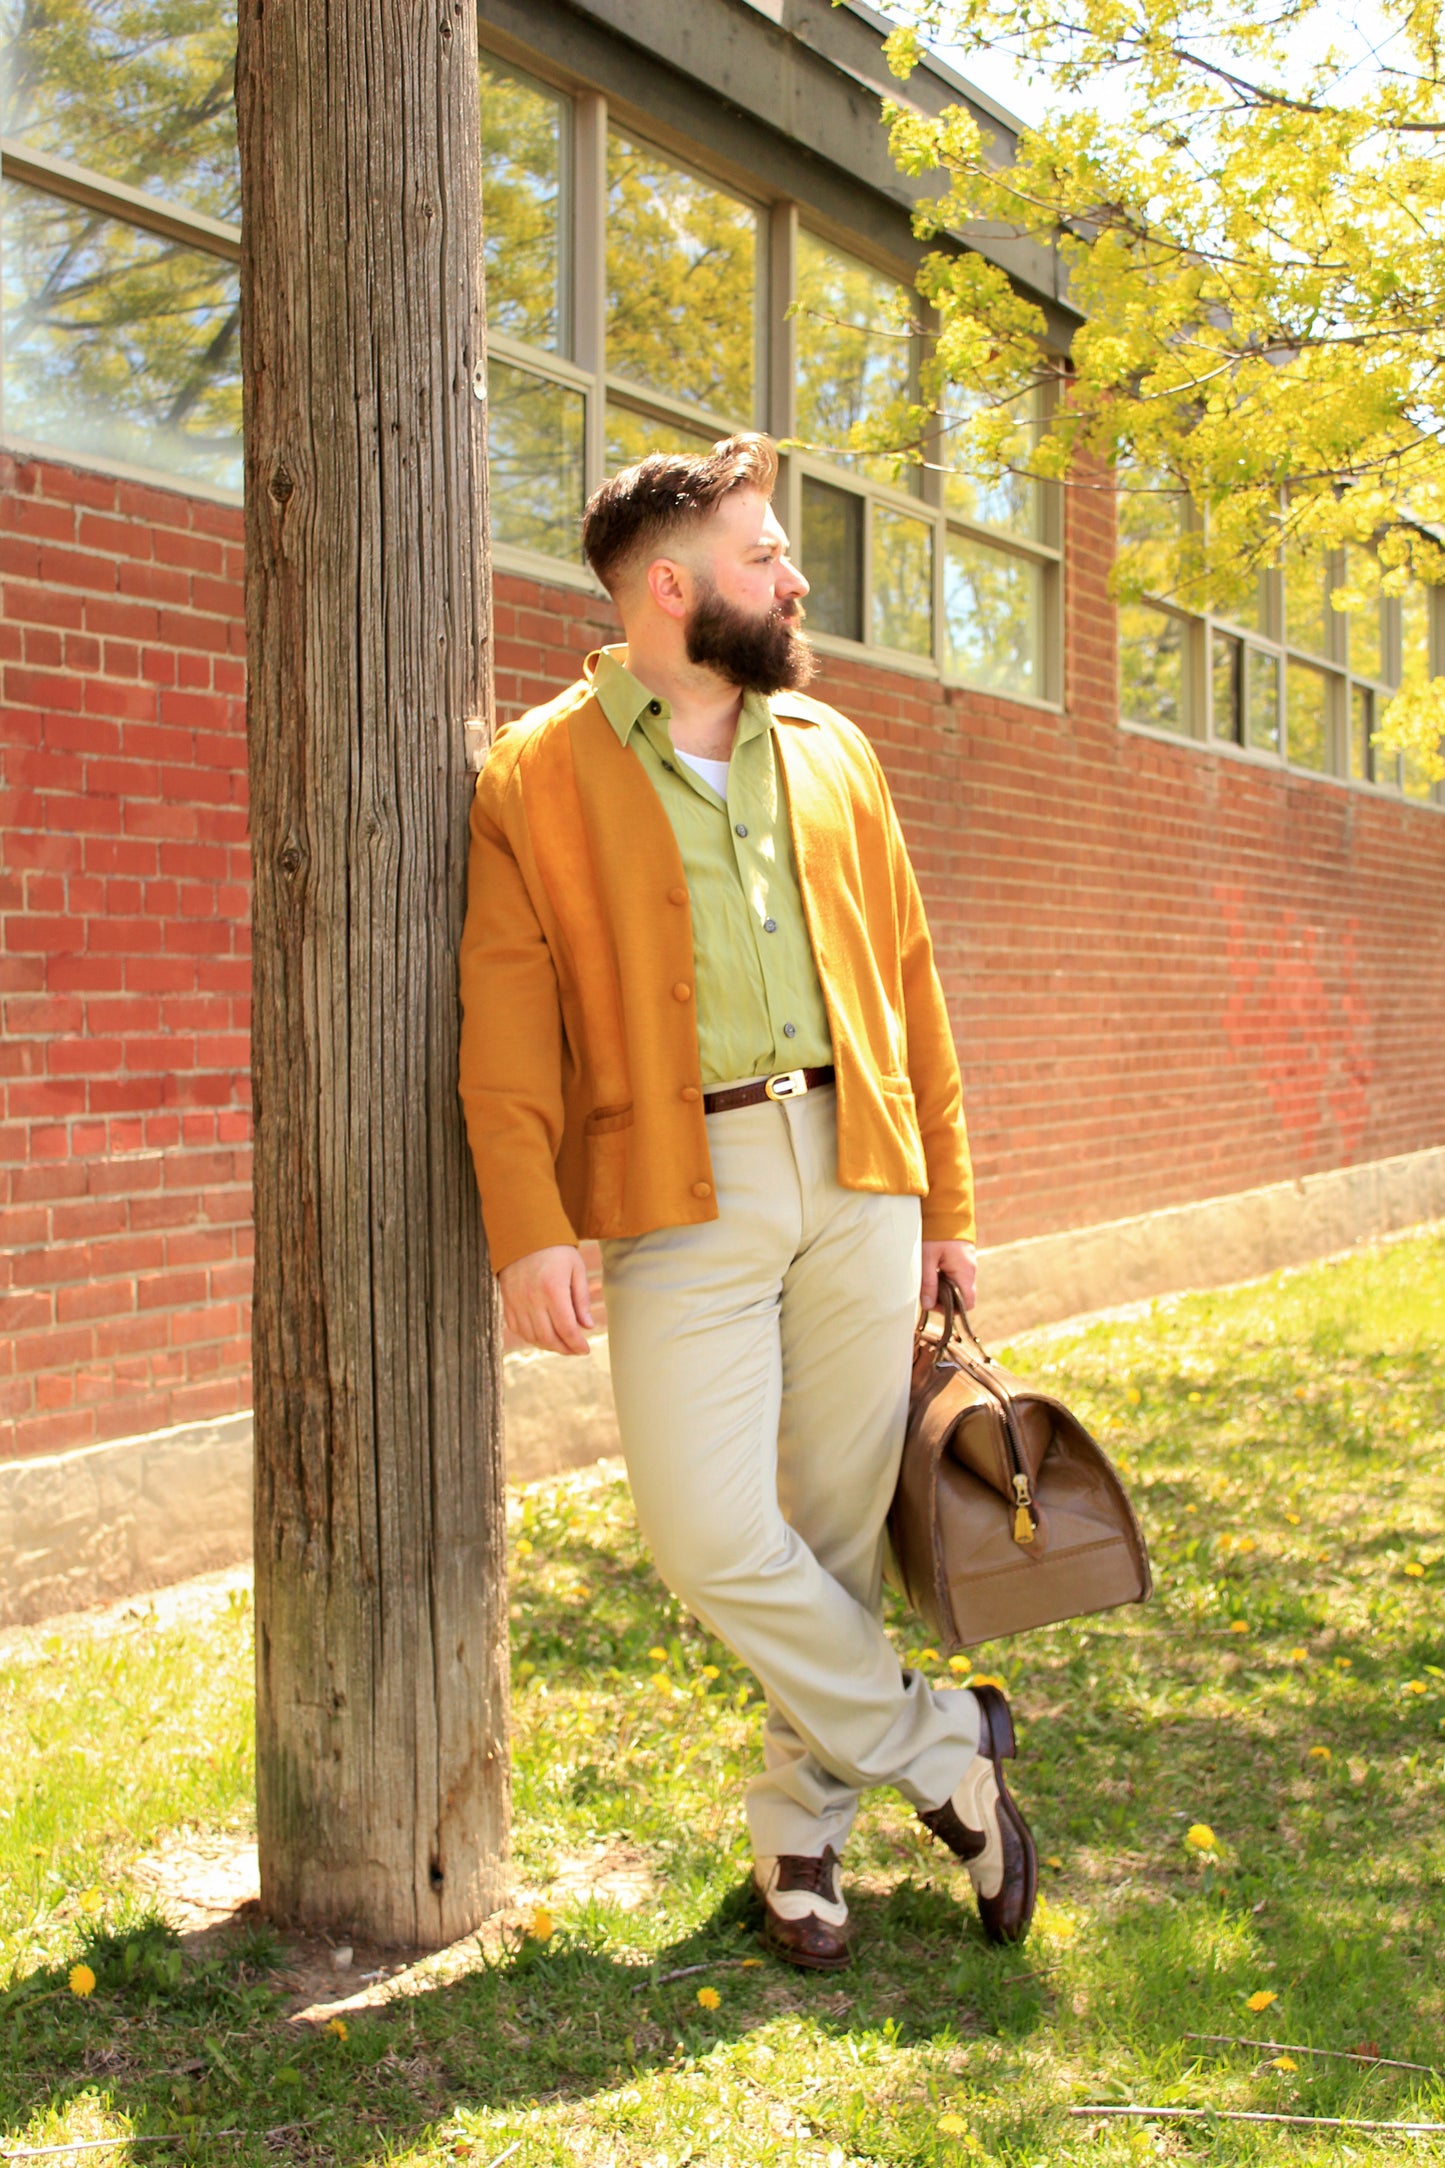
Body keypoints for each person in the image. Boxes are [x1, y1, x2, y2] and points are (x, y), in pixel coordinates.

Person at [458, 433, 1036, 1967]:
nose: (791, 577)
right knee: (710, 1531)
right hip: (678, 1186)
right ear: (670, 586)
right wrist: (527, 1225)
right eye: (763, 553)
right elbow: (504, 1023)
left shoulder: (832, 748)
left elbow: (911, 984)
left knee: (835, 1532)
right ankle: (942, 1750)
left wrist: (945, 1200)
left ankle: (800, 1837)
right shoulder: (534, 773)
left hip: (858, 1169)